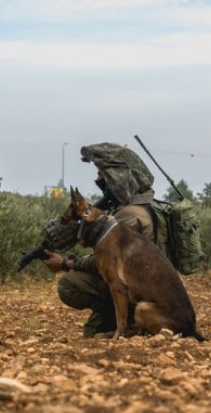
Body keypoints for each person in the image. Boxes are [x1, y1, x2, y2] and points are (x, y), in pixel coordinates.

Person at [43, 142, 158, 338]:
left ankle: (128, 323)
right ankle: (114, 318)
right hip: (139, 285)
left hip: (136, 291)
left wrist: (66, 263)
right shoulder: (135, 208)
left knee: (69, 285)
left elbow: (108, 263)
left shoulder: (130, 216)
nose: (97, 179)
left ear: (117, 179)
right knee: (91, 333)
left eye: (101, 174)